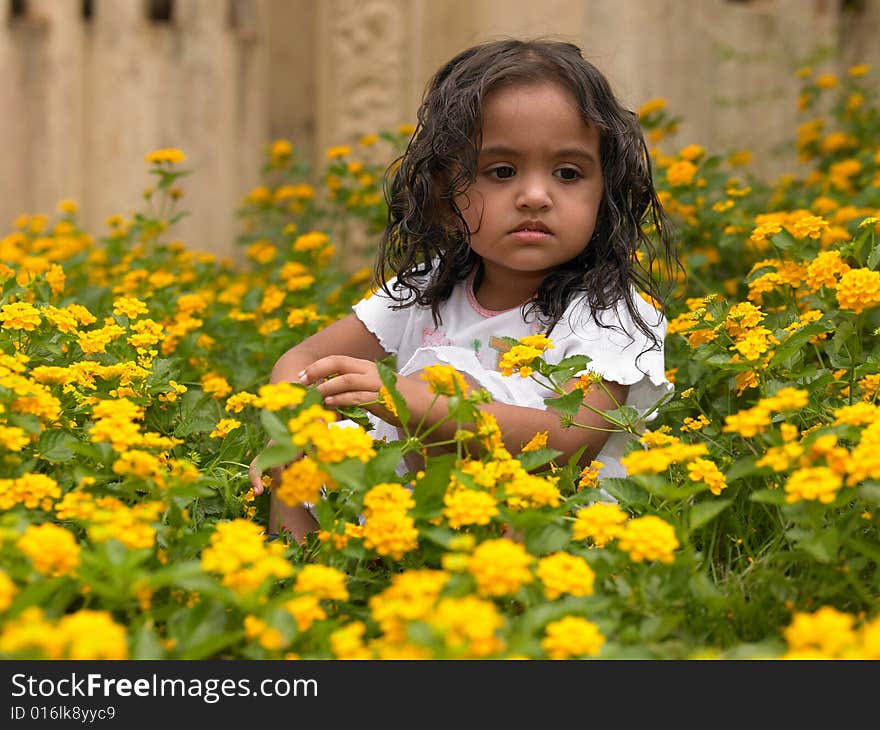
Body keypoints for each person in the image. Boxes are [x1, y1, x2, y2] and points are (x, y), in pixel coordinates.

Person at [249, 37, 678, 543]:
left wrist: (413, 402)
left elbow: (569, 440)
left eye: (568, 173)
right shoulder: (430, 287)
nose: (535, 196)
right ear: (441, 196)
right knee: (304, 449)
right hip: (424, 501)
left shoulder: (611, 312)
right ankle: (295, 577)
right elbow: (306, 356)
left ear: (605, 194)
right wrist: (290, 425)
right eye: (501, 172)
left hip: (553, 513)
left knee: (449, 388)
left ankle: (494, 601)